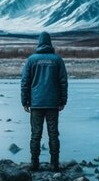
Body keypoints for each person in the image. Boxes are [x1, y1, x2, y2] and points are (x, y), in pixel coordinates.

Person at [21, 32, 68, 172]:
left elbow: (25, 82)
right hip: (53, 103)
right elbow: (63, 82)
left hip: (36, 103)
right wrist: (63, 100)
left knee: (36, 134)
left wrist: (25, 101)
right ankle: (54, 164)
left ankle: (34, 164)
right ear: (50, 42)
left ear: (39, 43)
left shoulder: (31, 60)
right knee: (53, 134)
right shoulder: (57, 60)